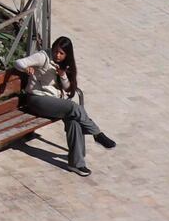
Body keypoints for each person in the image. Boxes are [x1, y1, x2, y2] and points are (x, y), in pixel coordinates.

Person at [13, 36, 114, 177]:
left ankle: (76, 164)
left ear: (67, 54)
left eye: (61, 53)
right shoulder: (43, 57)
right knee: (73, 107)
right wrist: (26, 68)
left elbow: (68, 89)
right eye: (56, 51)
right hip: (36, 100)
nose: (57, 55)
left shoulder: (65, 65)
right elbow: (18, 62)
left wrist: (63, 75)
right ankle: (97, 134)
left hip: (54, 102)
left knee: (74, 120)